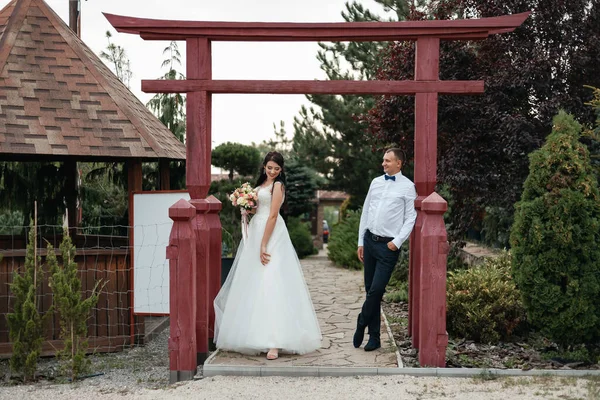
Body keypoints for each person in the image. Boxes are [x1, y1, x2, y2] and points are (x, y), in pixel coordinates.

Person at [214, 151, 322, 360]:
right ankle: (254, 335)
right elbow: (260, 210)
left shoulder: (278, 186)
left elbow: (273, 215)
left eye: (276, 169)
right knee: (253, 282)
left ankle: (275, 341)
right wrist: (246, 207)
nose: (272, 171)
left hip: (272, 234)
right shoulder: (261, 185)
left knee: (272, 281)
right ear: (264, 166)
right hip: (256, 230)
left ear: (281, 170)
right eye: (269, 167)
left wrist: (264, 244)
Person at [354, 148, 417, 351]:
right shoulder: (376, 182)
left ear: (399, 163)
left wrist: (397, 242)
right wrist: (360, 242)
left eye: (388, 161)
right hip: (370, 241)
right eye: (383, 160)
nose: (384, 164)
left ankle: (361, 321)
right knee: (371, 291)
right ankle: (374, 338)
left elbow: (411, 218)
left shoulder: (408, 187)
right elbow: (366, 211)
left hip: (388, 247)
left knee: (377, 290)